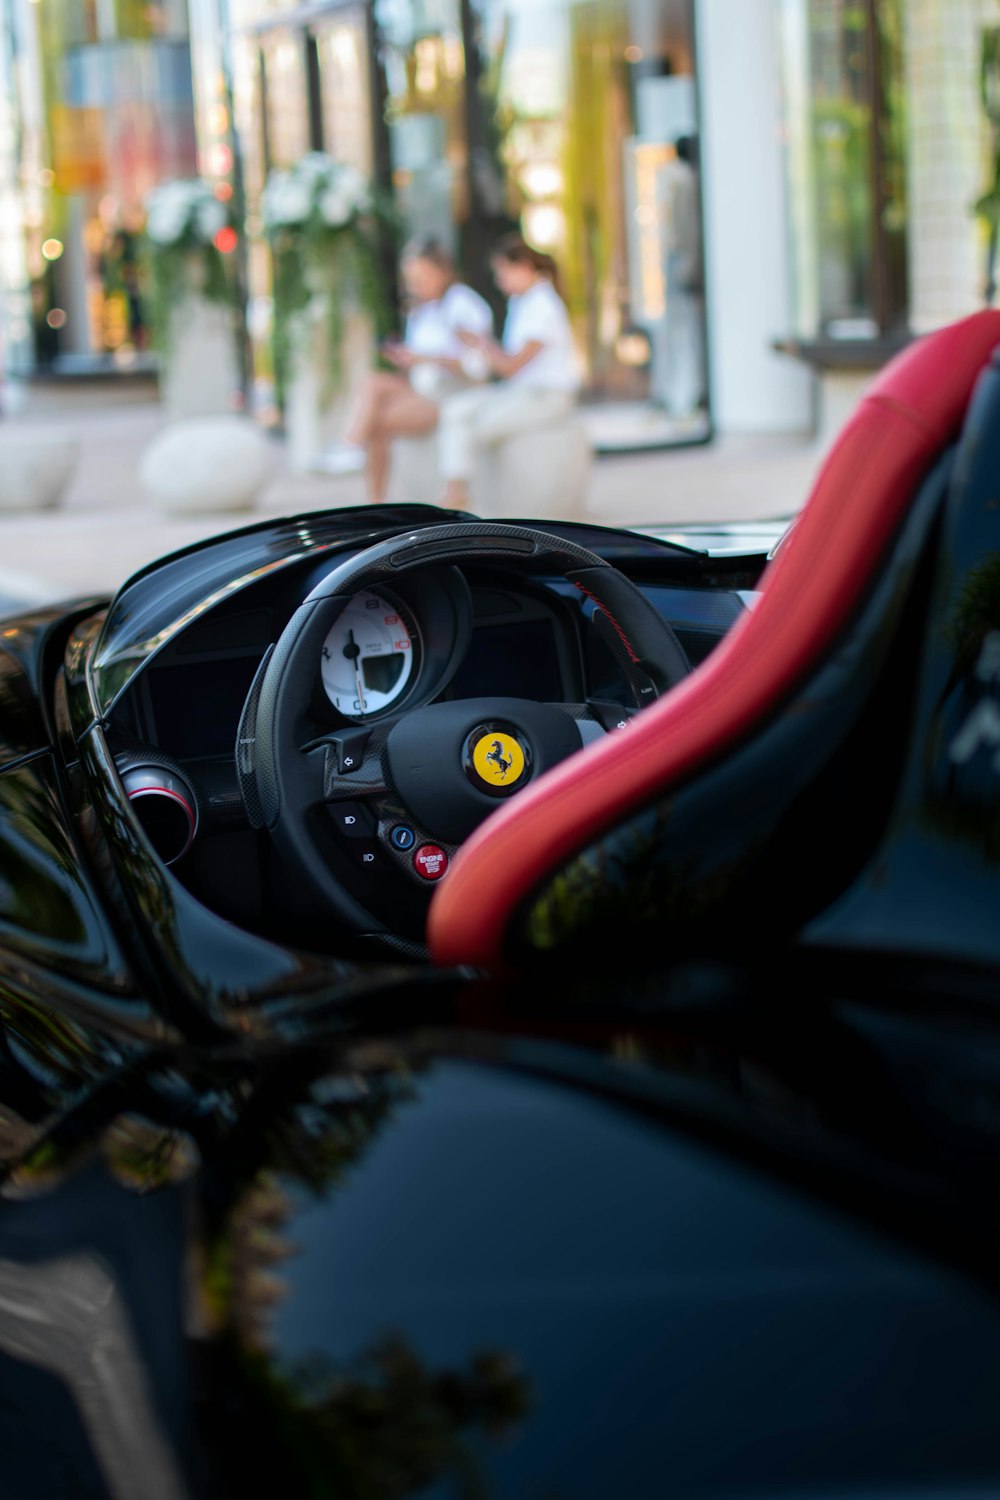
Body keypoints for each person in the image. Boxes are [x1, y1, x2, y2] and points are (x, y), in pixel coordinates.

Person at [437, 234, 581, 510]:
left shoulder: (543, 306)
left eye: (502, 271)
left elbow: (512, 366)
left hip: (547, 397)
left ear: (524, 267)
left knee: (477, 427)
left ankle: (473, 502)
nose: (498, 280)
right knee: (456, 409)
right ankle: (455, 491)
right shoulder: (522, 303)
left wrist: (480, 344)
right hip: (521, 393)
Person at [345, 238, 492, 502]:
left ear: (443, 271)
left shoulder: (464, 305)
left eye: (422, 276)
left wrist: (425, 358)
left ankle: (361, 469)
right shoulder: (421, 311)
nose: (416, 285)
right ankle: (354, 449)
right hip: (422, 387)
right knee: (372, 382)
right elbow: (419, 363)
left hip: (452, 391)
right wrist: (407, 359)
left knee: (378, 424)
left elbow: (478, 366)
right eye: (411, 278)